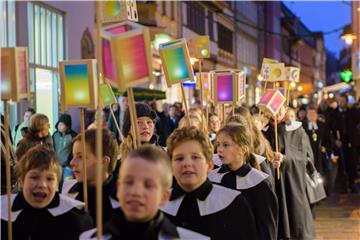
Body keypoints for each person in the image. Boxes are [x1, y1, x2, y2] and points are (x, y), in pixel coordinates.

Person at [80, 145, 209, 240]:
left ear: (164, 196)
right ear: (118, 188)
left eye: (148, 185)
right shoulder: (89, 238)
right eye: (129, 182)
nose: (136, 192)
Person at [161, 126, 258, 240]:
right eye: (179, 158)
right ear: (170, 166)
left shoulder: (233, 203)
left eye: (195, 157)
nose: (187, 163)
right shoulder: (159, 203)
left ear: (210, 165)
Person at [1, 145, 93, 240]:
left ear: (57, 185)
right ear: (21, 182)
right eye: (34, 177)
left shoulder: (75, 220)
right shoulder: (3, 212)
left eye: (50, 179)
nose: (42, 185)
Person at [210, 124, 278, 240]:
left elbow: (267, 228)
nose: (220, 149)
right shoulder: (212, 178)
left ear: (243, 149)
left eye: (226, 145)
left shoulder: (259, 183)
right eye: (219, 144)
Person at [265, 106, 315, 240]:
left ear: (284, 110)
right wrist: (268, 162)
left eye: (278, 110)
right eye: (271, 110)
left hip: (291, 183)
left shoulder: (297, 131)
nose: (274, 113)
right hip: (272, 184)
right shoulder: (262, 132)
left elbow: (304, 158)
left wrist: (285, 158)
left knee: (295, 223)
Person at [62, 129, 119, 224]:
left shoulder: (122, 198)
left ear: (104, 162)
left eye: (80, 157)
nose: (72, 163)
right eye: (73, 156)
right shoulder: (68, 190)